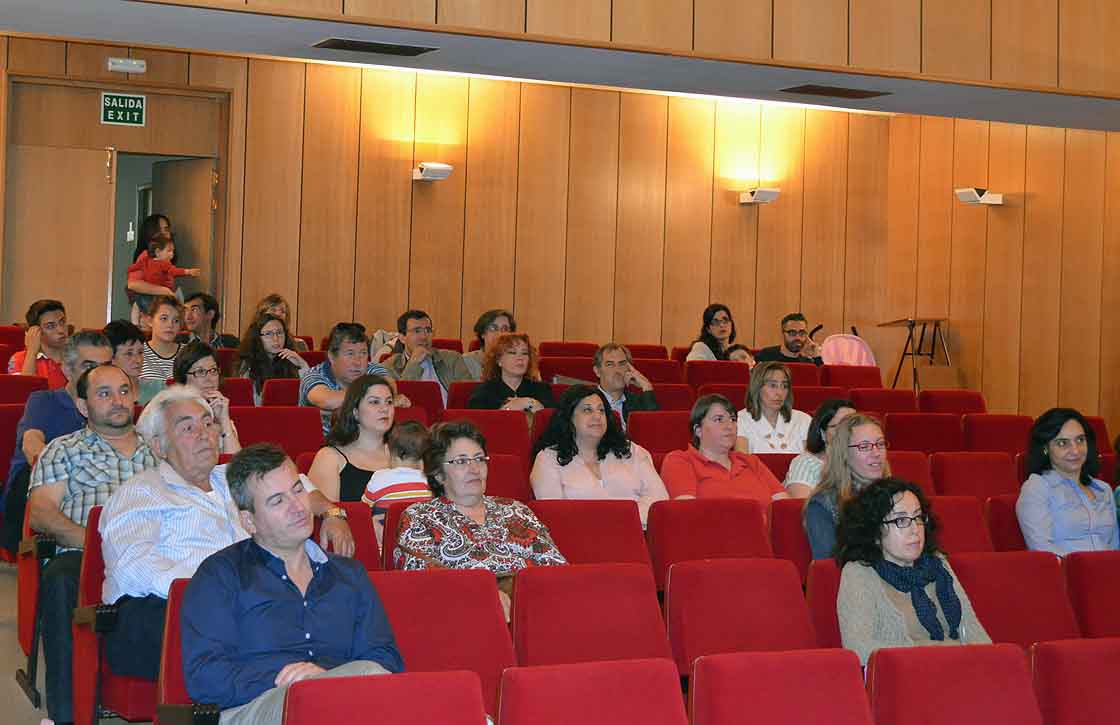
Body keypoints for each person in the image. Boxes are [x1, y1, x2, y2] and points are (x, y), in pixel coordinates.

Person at [99, 387, 356, 683]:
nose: (203, 433)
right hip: (172, 611)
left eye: (208, 423)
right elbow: (134, 569)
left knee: (339, 601)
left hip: (256, 604)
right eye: (187, 427)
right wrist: (224, 590)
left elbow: (296, 484)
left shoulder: (230, 476)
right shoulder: (140, 492)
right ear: (158, 445)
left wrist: (331, 513)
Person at [182, 443, 403, 724]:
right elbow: (205, 677)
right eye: (277, 501)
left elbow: (385, 660)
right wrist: (289, 682)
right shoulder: (221, 575)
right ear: (249, 521)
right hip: (255, 707)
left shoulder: (350, 575)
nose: (298, 506)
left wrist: (324, 682)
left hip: (346, 702)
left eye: (298, 490)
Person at [26, 364, 157, 725]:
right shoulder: (63, 450)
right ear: (83, 406)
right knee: (59, 578)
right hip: (84, 557)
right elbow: (42, 515)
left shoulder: (160, 452)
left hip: (154, 556)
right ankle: (66, 717)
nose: (118, 401)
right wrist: (103, 547)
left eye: (124, 391)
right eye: (104, 394)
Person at [396, 421, 567, 613]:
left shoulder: (517, 510)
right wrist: (483, 595)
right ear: (438, 474)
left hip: (534, 610)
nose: (474, 468)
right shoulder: (419, 517)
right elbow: (421, 585)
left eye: (479, 459)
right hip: (461, 619)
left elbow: (557, 569)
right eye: (461, 461)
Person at [836, 478, 991, 666]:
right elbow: (858, 649)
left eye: (918, 518)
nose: (915, 530)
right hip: (904, 683)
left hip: (957, 673)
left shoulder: (938, 564)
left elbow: (977, 634)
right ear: (875, 530)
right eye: (901, 520)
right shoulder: (859, 572)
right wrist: (938, 652)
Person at [1, 332, 113, 556]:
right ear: (67, 370)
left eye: (105, 366)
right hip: (42, 486)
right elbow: (31, 445)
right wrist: (77, 472)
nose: (98, 375)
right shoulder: (45, 401)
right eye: (88, 366)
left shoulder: (114, 406)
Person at [531, 385, 668, 527]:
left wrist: (620, 520)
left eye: (601, 410)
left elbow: (659, 499)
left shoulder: (631, 451)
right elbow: (554, 514)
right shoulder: (548, 459)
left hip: (636, 536)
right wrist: (608, 520)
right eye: (587, 410)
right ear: (569, 417)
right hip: (577, 540)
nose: (597, 416)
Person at [1016, 408, 1118, 556]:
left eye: (1080, 440)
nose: (1075, 450)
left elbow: (1114, 547)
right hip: (1065, 575)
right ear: (1045, 448)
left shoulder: (1103, 489)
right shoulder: (1037, 488)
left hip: (1108, 574)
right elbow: (1043, 551)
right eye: (1063, 443)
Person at [660, 394, 786, 507]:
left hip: (764, 532)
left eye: (733, 419)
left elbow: (784, 507)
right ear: (698, 430)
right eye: (719, 419)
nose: (729, 426)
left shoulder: (751, 461)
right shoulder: (680, 460)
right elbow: (687, 513)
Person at [804, 413, 890, 560]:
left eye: (880, 444)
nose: (876, 453)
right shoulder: (822, 505)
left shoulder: (899, 496)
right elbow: (830, 569)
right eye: (864, 446)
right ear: (844, 454)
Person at [299, 322, 403, 436]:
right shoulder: (314, 375)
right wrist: (376, 399)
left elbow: (390, 388)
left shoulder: (373, 370)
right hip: (321, 446)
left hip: (366, 444)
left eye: (363, 353)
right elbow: (327, 401)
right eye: (350, 354)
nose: (358, 362)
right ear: (332, 356)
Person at [308, 375, 395, 503]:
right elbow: (328, 520)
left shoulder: (408, 452)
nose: (385, 409)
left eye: (389, 402)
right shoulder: (330, 458)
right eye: (374, 402)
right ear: (355, 412)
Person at [362, 420, 433, 546]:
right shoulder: (431, 483)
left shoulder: (379, 478)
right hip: (423, 544)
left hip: (386, 544)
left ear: (387, 451)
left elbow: (364, 509)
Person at [383, 309, 472, 405]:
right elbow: (399, 401)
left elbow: (468, 396)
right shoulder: (388, 367)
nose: (424, 336)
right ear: (402, 338)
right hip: (412, 418)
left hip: (450, 417)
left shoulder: (453, 359)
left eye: (428, 330)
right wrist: (413, 364)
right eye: (417, 331)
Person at [172, 341, 242, 454]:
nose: (209, 378)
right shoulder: (171, 415)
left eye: (213, 370)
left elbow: (235, 464)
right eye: (200, 371)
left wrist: (224, 421)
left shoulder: (220, 413)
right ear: (183, 378)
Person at [784, 399, 856, 498]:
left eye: (853, 425)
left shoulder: (869, 460)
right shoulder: (806, 463)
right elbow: (804, 509)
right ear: (822, 433)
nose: (847, 432)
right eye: (837, 427)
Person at [735, 361, 811, 454]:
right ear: (757, 387)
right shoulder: (740, 420)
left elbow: (812, 462)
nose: (779, 392)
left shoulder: (802, 419)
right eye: (773, 385)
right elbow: (742, 462)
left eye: (784, 386)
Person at [467, 332, 554, 411]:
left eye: (524, 353)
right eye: (512, 353)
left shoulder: (542, 389)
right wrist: (509, 408)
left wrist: (528, 402)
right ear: (498, 360)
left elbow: (551, 422)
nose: (520, 358)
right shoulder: (483, 393)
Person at [237, 313, 310, 404]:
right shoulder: (248, 364)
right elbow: (251, 404)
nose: (275, 338)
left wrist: (302, 365)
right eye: (268, 334)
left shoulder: (291, 359)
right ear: (257, 338)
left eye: (279, 333)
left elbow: (308, 399)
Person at [593, 343, 658, 431]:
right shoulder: (587, 402)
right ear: (597, 371)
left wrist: (647, 387)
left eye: (622, 364)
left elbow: (655, 430)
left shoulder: (639, 403)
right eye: (610, 364)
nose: (618, 370)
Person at [8, 299, 69, 389]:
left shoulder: (78, 354)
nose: (61, 330)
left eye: (62, 322)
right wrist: (32, 353)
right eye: (50, 326)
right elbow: (24, 393)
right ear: (36, 331)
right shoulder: (19, 359)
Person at [104, 318, 162, 405]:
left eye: (140, 352)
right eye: (129, 354)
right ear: (111, 357)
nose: (138, 360)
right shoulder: (103, 395)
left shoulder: (159, 390)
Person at [127, 235, 199, 300]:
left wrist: (129, 269)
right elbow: (174, 271)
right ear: (158, 252)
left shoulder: (147, 261)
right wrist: (188, 271)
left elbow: (134, 267)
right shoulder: (162, 263)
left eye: (173, 251)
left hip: (156, 294)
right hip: (160, 295)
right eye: (169, 251)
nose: (172, 254)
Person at [140, 295, 183, 388]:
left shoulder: (188, 353)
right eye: (164, 318)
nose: (170, 325)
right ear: (150, 321)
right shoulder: (138, 353)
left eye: (176, 320)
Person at [464, 309, 515, 380]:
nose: (500, 334)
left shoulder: (517, 362)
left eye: (505, 329)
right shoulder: (465, 362)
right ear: (482, 333)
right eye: (493, 328)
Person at [754, 312, 823, 365]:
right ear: (783, 333)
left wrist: (817, 356)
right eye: (792, 333)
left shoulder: (808, 363)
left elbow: (821, 381)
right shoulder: (766, 356)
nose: (797, 337)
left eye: (802, 333)